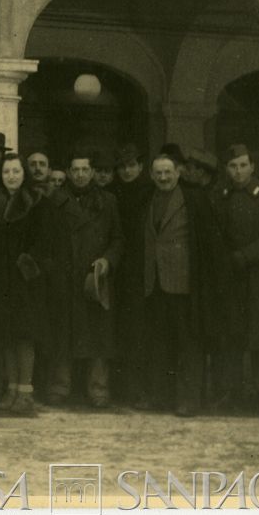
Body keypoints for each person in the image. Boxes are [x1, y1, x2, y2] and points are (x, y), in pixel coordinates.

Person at [132, 154, 224, 417]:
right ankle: (159, 396)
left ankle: (188, 400)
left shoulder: (194, 199)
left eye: (168, 172)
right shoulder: (146, 199)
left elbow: (208, 242)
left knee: (188, 343)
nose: (163, 177)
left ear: (178, 172)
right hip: (154, 283)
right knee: (157, 342)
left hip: (184, 285)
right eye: (158, 173)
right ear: (151, 175)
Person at [213, 143, 259, 414]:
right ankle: (231, 394)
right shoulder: (219, 195)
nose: (238, 171)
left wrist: (245, 256)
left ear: (252, 167)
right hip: (230, 278)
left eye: (243, 165)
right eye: (233, 166)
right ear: (226, 169)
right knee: (231, 336)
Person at [44, 151, 124, 408]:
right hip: (64, 277)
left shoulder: (108, 200)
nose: (80, 175)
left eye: (84, 170)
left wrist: (107, 261)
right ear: (67, 172)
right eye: (75, 170)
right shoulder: (54, 200)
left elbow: (118, 239)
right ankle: (59, 386)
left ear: (91, 172)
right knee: (62, 332)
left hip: (94, 278)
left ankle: (98, 389)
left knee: (99, 334)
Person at [0, 153, 49, 417]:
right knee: (5, 335)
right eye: (7, 172)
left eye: (16, 172)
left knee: (24, 336)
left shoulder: (37, 203)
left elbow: (45, 241)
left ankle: (25, 392)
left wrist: (27, 264)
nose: (11, 176)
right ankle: (10, 388)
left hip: (26, 282)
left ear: (25, 175)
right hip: (1, 280)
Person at [110, 142, 153, 404]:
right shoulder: (112, 193)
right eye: (122, 167)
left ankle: (137, 390)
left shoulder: (150, 192)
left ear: (140, 166)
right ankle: (119, 389)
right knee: (118, 330)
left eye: (131, 166)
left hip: (140, 269)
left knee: (139, 332)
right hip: (117, 268)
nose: (127, 171)